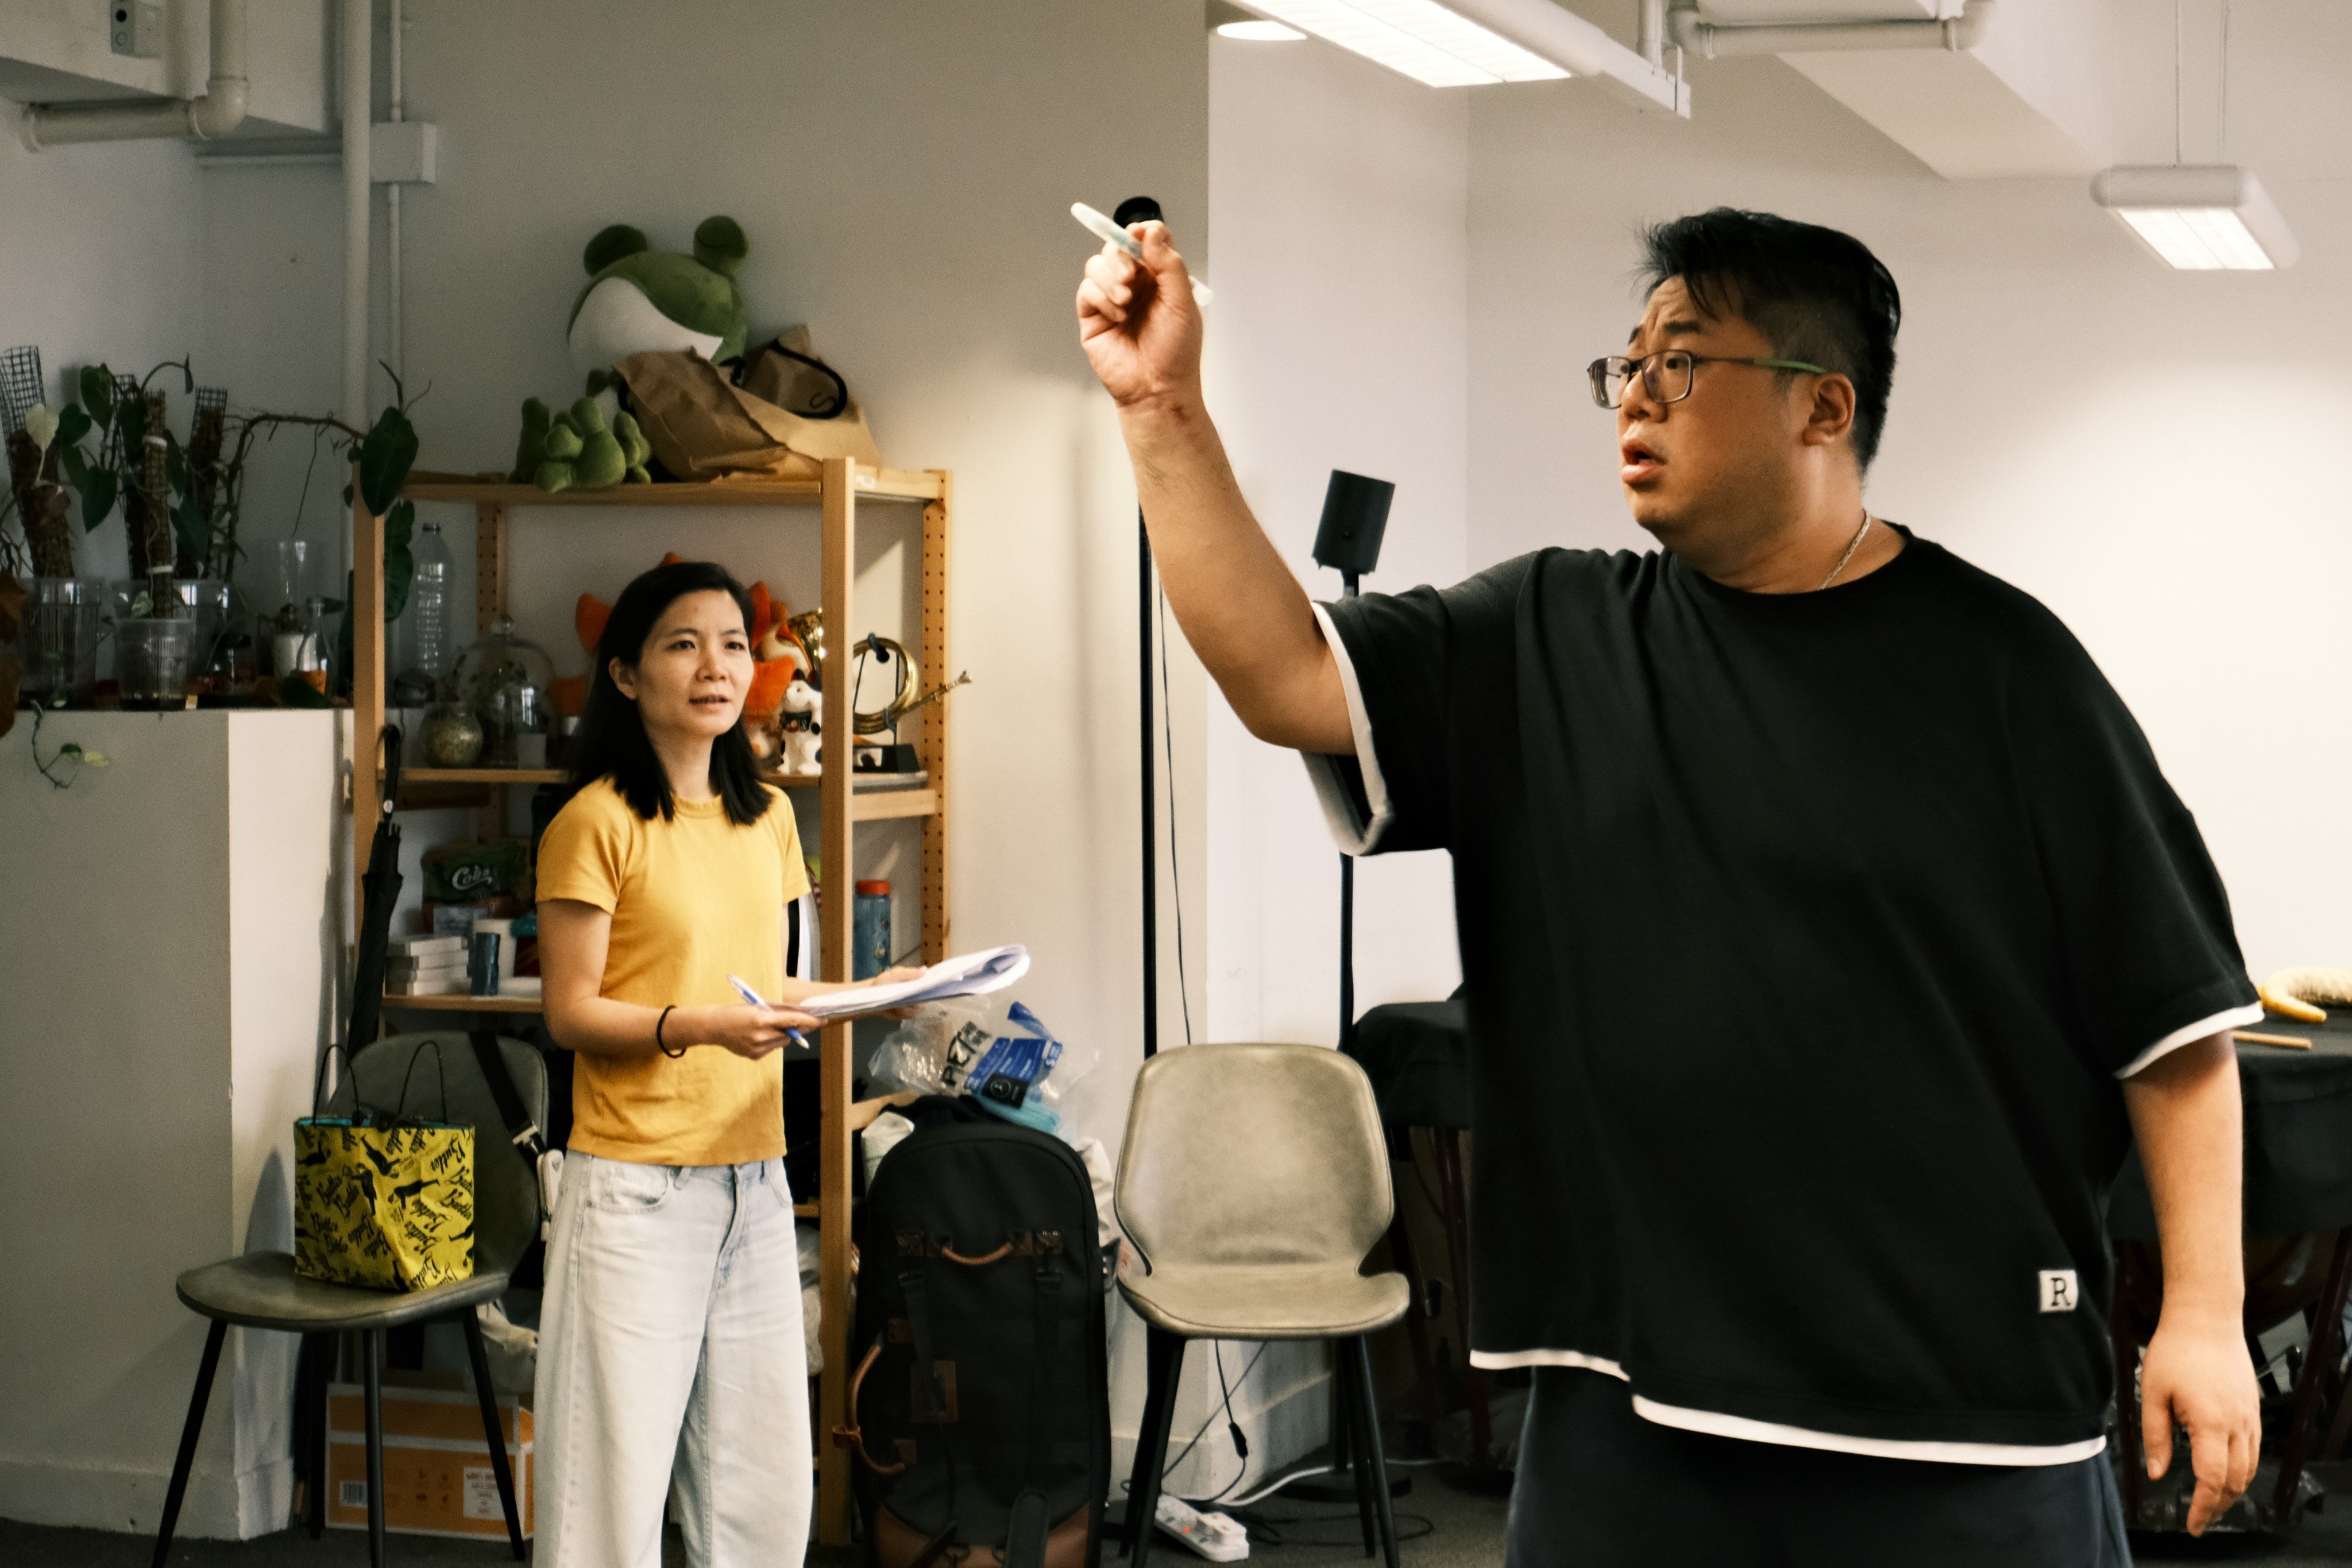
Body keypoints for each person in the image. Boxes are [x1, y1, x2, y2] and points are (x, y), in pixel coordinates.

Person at [1076, 208, 2264, 1563]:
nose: (1633, 397)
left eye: (1682, 363)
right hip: (1624, 1415)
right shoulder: (1547, 635)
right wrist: (1163, 406)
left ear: (1824, 406)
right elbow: (1279, 671)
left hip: (1956, 1415)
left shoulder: (2006, 673)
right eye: (1624, 365)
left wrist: (2205, 1315)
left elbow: (2169, 1025)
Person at [532, 560, 909, 1568]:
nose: (717, 665)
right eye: (683, 643)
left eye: (735, 643)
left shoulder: (770, 818)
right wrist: (697, 1025)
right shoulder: (597, 820)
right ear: (626, 675)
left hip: (754, 1179)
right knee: (607, 1507)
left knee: (761, 1502)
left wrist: (880, 995)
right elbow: (570, 1011)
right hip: (635, 1189)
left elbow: (777, 987)